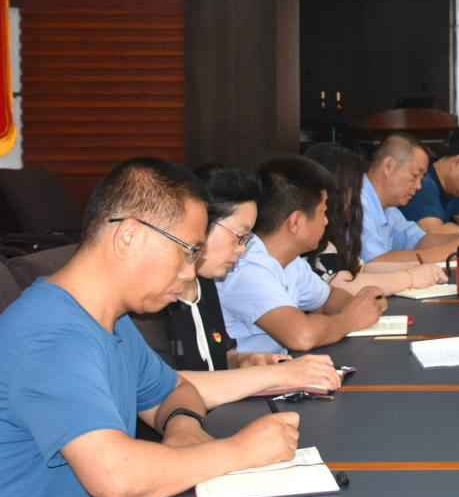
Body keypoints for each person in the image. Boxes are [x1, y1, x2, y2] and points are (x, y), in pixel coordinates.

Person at [0, 158, 301, 497]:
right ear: (129, 236)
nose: (190, 274)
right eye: (187, 252)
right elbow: (115, 477)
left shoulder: (108, 320)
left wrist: (183, 427)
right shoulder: (53, 334)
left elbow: (175, 391)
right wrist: (240, 450)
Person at [132, 164, 342, 403]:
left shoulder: (207, 282)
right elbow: (164, 386)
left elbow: (219, 357)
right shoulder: (151, 297)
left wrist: (244, 361)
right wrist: (275, 375)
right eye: (239, 236)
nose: (242, 249)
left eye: (247, 238)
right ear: (201, 224)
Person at [217, 155, 389, 354]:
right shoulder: (246, 265)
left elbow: (327, 299)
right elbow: (301, 336)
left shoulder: (289, 261)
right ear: (296, 222)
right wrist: (351, 319)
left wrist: (360, 306)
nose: (326, 221)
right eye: (323, 212)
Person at [304, 143, 450, 296]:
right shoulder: (310, 250)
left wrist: (417, 267)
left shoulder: (332, 240)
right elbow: (340, 285)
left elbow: (364, 268)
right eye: (351, 190)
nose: (355, 199)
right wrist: (410, 278)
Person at [358, 133, 459, 271]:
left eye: (421, 178)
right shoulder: (357, 202)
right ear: (388, 166)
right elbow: (375, 262)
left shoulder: (389, 208)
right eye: (415, 175)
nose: (419, 186)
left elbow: (417, 240)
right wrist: (448, 250)